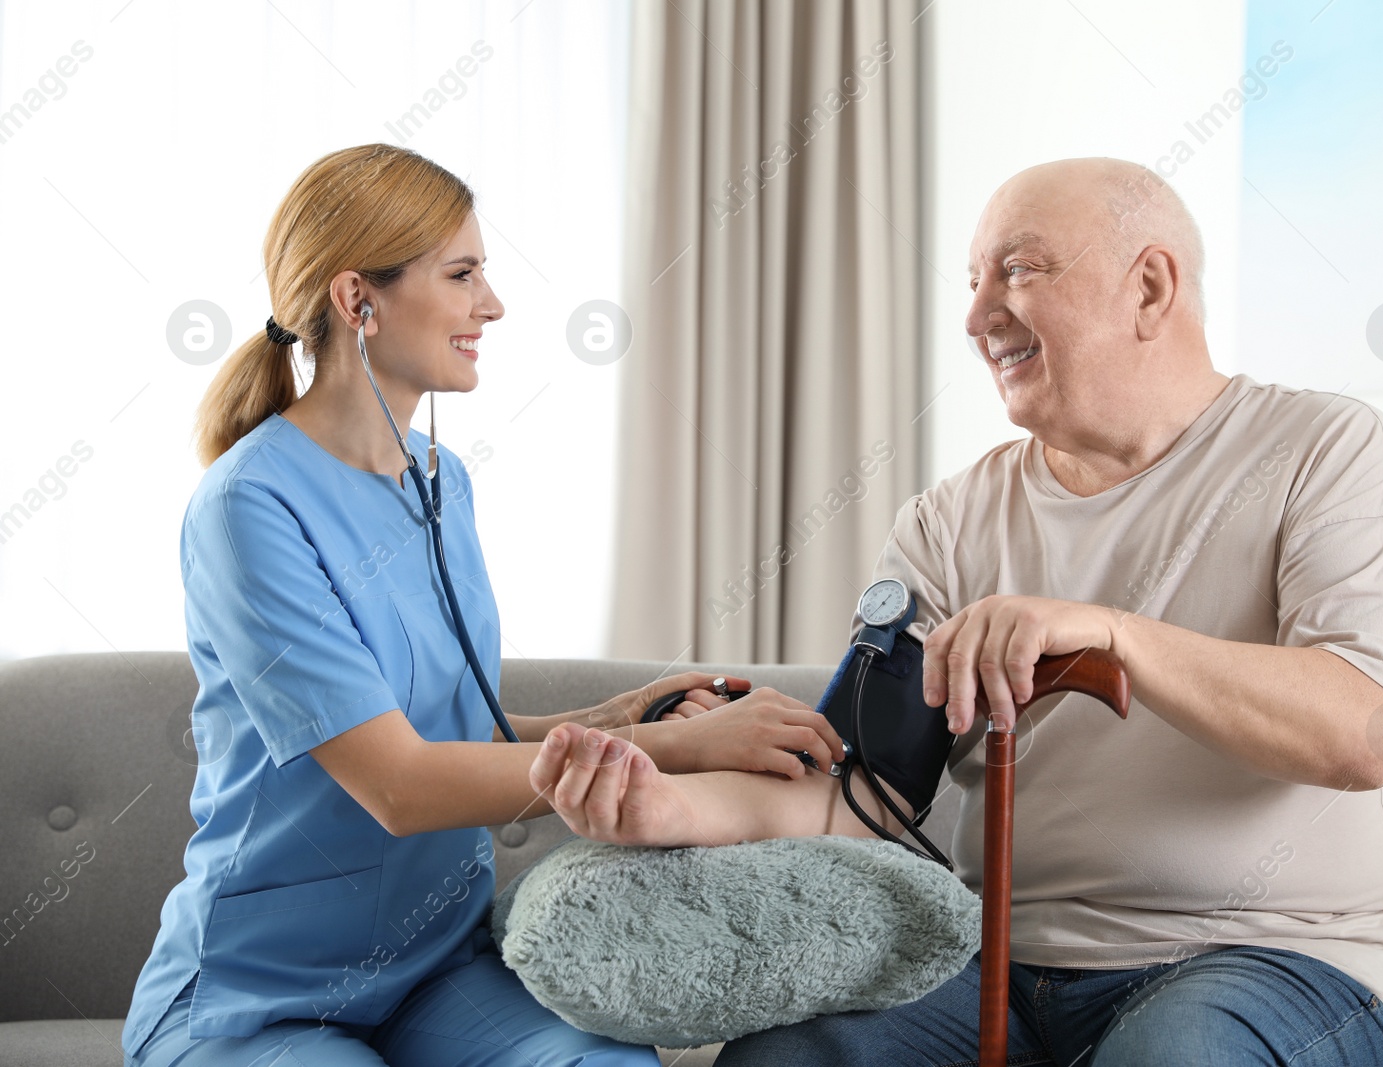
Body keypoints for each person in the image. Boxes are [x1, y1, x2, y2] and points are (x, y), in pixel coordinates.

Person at [527, 158, 1383, 1067]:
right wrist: (670, 808)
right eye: (972, 282)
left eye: (1020, 269)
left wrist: (1111, 631)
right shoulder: (948, 521)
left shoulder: (1327, 448)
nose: (975, 317)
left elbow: (1363, 733)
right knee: (788, 1059)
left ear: (1151, 288)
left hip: (1274, 957)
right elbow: (861, 792)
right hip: (994, 962)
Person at [121, 143, 847, 1067]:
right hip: (263, 996)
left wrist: (612, 715)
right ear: (358, 301)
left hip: (436, 974)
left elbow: (444, 721)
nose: (491, 305)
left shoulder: (441, 483)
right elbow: (399, 782)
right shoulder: (247, 507)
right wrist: (669, 747)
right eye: (462, 275)